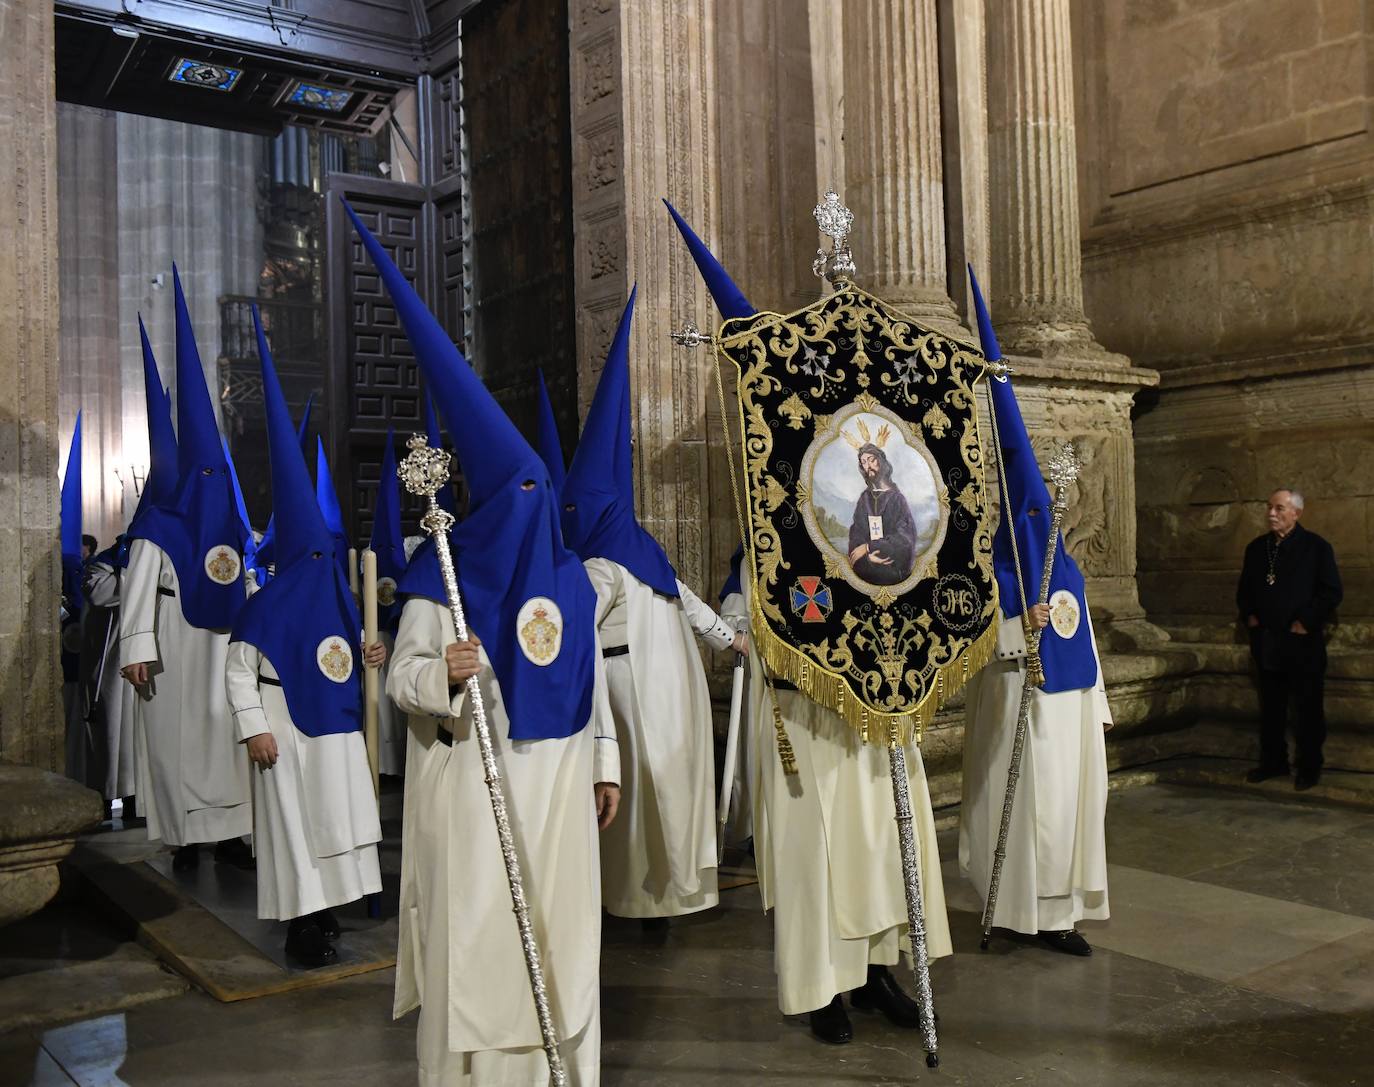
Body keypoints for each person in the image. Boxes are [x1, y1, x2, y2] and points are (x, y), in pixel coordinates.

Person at [349, 202, 620, 1086]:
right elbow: (404, 684)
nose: (536, 508)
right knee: (486, 939)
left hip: (562, 794)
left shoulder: (573, 582)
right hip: (478, 790)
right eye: (524, 494)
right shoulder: (443, 578)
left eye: (544, 491)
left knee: (563, 936)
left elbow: (594, 682)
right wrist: (441, 674)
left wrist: (608, 762)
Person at [669, 201, 951, 1046]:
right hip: (801, 710)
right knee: (817, 850)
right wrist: (744, 622)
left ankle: (877, 974)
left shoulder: (867, 487)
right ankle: (821, 985)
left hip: (877, 697)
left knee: (877, 843)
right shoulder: (776, 518)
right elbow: (734, 595)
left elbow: (904, 550)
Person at [546, 291, 744, 928]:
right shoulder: (601, 563)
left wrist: (729, 640)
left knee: (675, 790)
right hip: (632, 694)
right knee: (640, 798)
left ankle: (677, 889)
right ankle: (636, 898)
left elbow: (682, 595)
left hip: (666, 690)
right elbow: (575, 616)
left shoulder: (626, 554)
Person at [224, 307, 385, 968]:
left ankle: (331, 914)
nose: (321, 560)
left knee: (336, 823)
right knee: (295, 828)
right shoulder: (265, 605)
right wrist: (253, 725)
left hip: (338, 727)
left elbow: (347, 651)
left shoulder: (336, 593)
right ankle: (302, 924)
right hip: (285, 728)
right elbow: (237, 668)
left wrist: (371, 653)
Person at [959, 270, 1111, 957]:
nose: (1035, 520)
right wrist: (1023, 631)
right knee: (1020, 813)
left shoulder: (1065, 562)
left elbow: (1086, 634)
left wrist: (1098, 702)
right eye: (1024, 513)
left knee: (1067, 812)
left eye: (1040, 512)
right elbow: (980, 636)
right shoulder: (992, 568)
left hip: (1070, 711)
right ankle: (1014, 909)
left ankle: (1060, 915)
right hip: (1017, 697)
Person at [119, 277, 253, 871]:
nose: (212, 488)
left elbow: (248, 584)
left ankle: (231, 835)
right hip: (175, 654)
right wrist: (137, 647)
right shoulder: (161, 528)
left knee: (226, 743)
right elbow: (138, 593)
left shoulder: (231, 530)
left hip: (225, 651)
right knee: (182, 746)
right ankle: (184, 837)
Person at [1236, 488, 1342, 790]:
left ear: (1296, 512)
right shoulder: (1257, 548)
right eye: (1269, 507)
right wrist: (1251, 618)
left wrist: (1304, 622)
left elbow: (1332, 592)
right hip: (1267, 640)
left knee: (1308, 708)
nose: (1272, 513)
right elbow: (1245, 591)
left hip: (1302, 642)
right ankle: (1273, 762)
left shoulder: (1316, 547)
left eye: (1279, 508)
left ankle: (1309, 767)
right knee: (1272, 707)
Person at [847, 442, 917, 584]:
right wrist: (867, 558)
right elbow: (856, 536)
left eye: (871, 459)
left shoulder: (897, 499)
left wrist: (869, 548)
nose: (868, 466)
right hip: (867, 570)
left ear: (881, 461)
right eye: (864, 462)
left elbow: (905, 540)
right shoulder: (864, 499)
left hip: (893, 569)